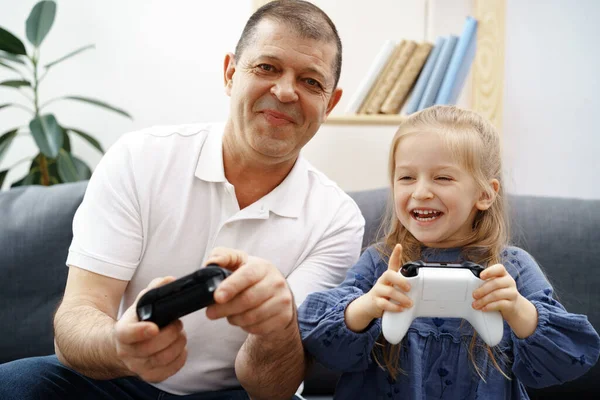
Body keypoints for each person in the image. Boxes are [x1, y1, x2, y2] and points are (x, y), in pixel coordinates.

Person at [0, 1, 365, 399]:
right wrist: (120, 346)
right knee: (17, 384)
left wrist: (275, 328)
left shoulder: (338, 219)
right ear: (230, 73)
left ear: (330, 103)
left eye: (311, 81)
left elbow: (269, 387)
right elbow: (76, 322)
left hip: (232, 392)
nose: (284, 91)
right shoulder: (140, 158)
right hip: (117, 380)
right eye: (267, 67)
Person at [297, 105, 600, 399]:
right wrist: (367, 306)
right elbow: (319, 342)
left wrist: (518, 310)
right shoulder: (379, 264)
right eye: (406, 177)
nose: (421, 192)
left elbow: (570, 358)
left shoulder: (512, 268)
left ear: (485, 193)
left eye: (442, 178)